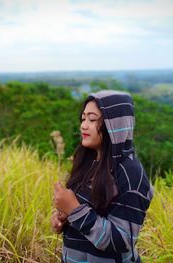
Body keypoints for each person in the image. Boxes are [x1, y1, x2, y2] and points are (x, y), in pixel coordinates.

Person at [52, 90, 154, 263]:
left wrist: (74, 210)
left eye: (92, 119)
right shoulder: (88, 161)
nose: (84, 125)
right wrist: (65, 218)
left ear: (115, 125)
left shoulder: (130, 173)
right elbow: (86, 214)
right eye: (83, 118)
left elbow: (123, 240)